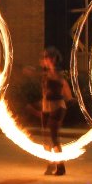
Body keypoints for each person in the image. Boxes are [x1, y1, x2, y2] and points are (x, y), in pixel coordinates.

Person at [39, 47, 72, 176]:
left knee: (53, 137)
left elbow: (62, 89)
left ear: (53, 59)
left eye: (48, 57)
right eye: (45, 57)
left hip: (57, 108)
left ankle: (61, 166)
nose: (46, 60)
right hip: (46, 108)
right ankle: (51, 163)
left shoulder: (58, 74)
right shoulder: (46, 74)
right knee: (46, 139)